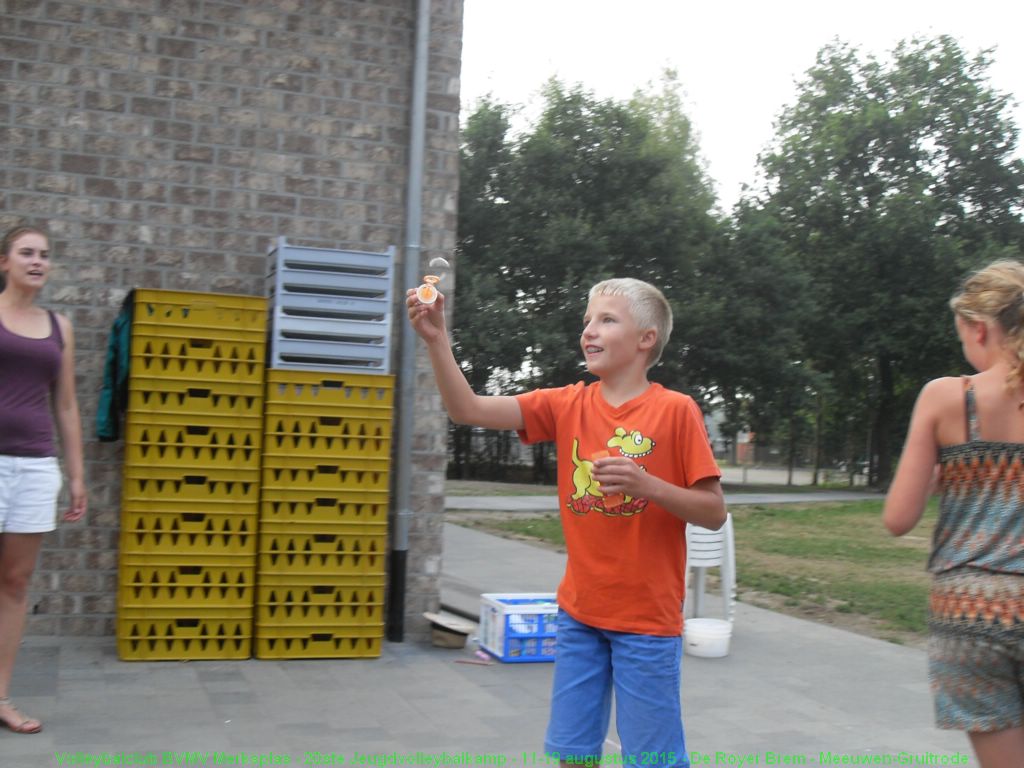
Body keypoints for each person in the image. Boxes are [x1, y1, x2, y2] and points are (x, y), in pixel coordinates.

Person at [408, 276, 725, 767]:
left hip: (647, 623)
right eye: (587, 321)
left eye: (606, 319)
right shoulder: (566, 404)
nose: (589, 331)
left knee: (653, 759)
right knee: (573, 754)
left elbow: (713, 511)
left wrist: (647, 486)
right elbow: (465, 408)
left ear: (646, 340)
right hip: (579, 615)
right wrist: (437, 340)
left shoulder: (675, 411)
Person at [883, 260, 1024, 768]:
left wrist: (946, 478)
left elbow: (899, 518)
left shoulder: (946, 397)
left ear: (980, 328)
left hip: (969, 613)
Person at [0, 225, 87, 734]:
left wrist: (76, 475)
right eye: (27, 253)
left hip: (34, 467)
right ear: (4, 261)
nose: (38, 261)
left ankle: (2, 696)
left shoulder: (59, 327)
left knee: (14, 583)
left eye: (45, 255)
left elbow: (67, 404)